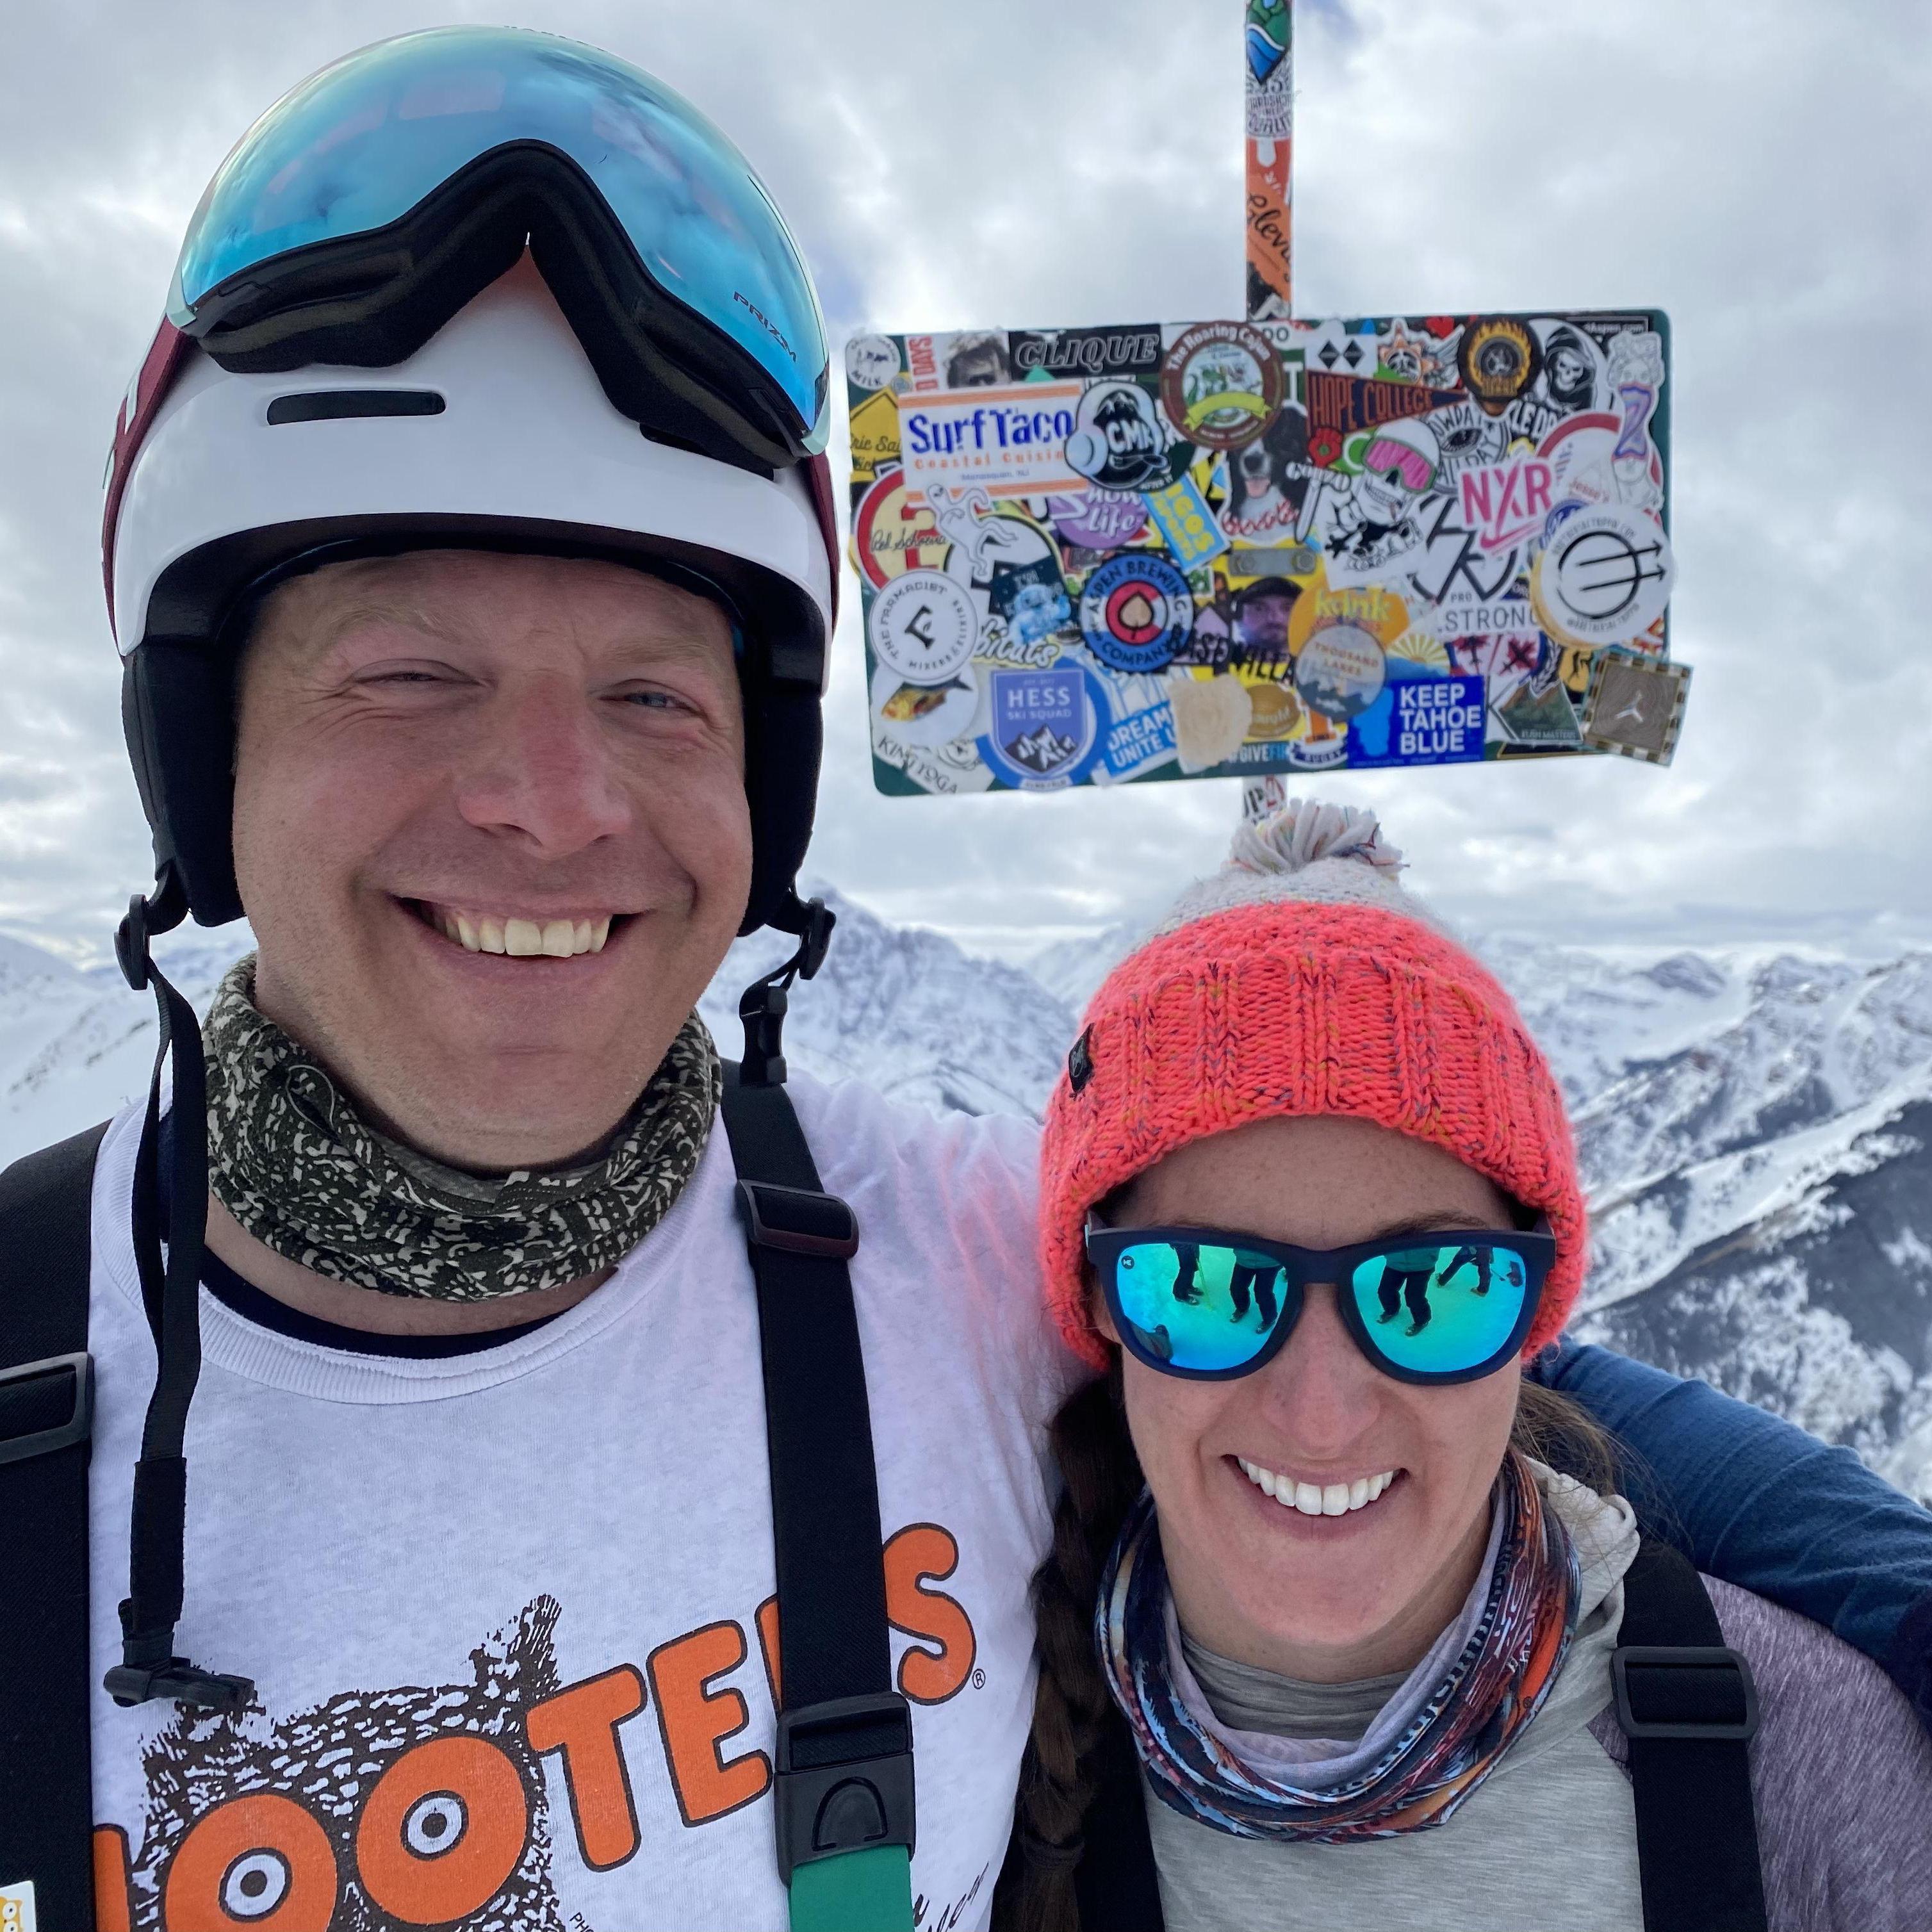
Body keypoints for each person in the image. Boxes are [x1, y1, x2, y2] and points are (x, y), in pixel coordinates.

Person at [4, 28, 1932, 1932]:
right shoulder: (40, 1360)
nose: (548, 802)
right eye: (409, 672)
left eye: (654, 695)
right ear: (200, 744)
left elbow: (1441, 1342)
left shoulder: (933, 1260)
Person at [999, 803, 1932, 1931]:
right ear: (1098, 1304)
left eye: (1433, 1290)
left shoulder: (1800, 1761)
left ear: (1534, 1312)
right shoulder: (977, 1761)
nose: (1323, 1411)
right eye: (1203, 1287)